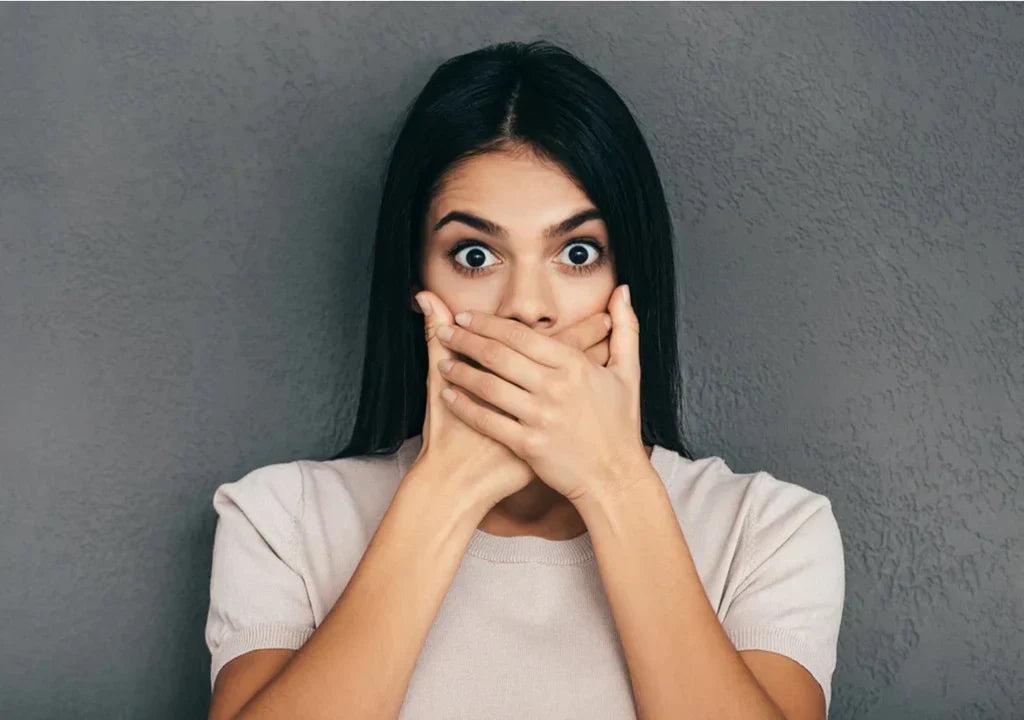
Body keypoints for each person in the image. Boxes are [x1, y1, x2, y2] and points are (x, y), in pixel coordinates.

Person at [205, 40, 845, 720]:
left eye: (577, 252)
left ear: (630, 281)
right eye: (475, 255)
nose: (526, 307)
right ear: (417, 280)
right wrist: (447, 487)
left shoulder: (767, 530)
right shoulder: (282, 519)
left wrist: (613, 482)